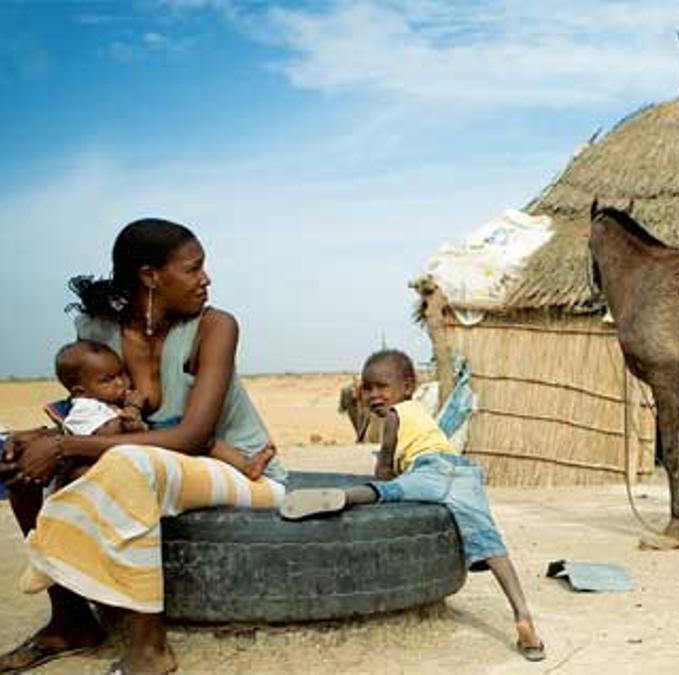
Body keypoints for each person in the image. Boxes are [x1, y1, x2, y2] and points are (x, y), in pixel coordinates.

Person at [0, 218, 286, 675]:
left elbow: (191, 436)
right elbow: (91, 413)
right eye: (193, 268)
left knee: (128, 464)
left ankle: (150, 649)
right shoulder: (99, 331)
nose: (206, 278)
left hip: (243, 470)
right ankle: (71, 620)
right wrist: (44, 439)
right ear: (150, 276)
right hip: (148, 460)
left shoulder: (216, 327)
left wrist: (63, 446)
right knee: (17, 463)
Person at [280, 349, 545, 662]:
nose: (374, 395)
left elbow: (385, 466)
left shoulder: (395, 416)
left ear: (407, 387)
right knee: (490, 540)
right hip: (462, 473)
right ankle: (522, 615)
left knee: (386, 491)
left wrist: (386, 473)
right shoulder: (421, 413)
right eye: (368, 388)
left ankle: (346, 496)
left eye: (382, 387)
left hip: (428, 471)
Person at [53, 339, 277, 479]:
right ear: (80, 390)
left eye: (121, 374)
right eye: (107, 380)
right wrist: (132, 408)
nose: (120, 383)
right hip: (112, 460)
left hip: (139, 446)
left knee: (202, 439)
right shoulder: (83, 409)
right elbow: (105, 435)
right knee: (187, 438)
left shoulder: (108, 403)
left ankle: (246, 465)